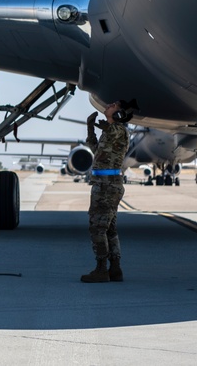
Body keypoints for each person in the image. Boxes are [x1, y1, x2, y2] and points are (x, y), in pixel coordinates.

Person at [80, 99, 135, 283]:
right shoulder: (111, 134)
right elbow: (97, 151)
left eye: (113, 105)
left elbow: (114, 131)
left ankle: (101, 269)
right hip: (106, 184)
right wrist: (90, 129)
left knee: (97, 227)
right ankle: (115, 268)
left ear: (119, 114)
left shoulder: (118, 130)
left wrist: (107, 125)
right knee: (109, 229)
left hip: (106, 186)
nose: (108, 105)